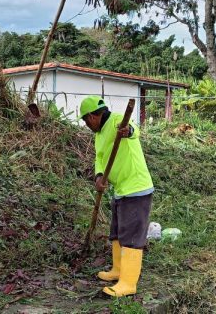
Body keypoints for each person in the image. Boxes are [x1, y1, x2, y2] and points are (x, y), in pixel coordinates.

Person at [79, 96, 154, 298]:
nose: (86, 125)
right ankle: (118, 271)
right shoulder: (99, 134)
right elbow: (100, 158)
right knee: (117, 232)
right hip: (121, 189)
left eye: (86, 121)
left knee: (131, 237)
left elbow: (132, 131)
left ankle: (128, 283)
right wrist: (99, 176)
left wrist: (127, 131)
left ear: (93, 116)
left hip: (136, 188)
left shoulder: (117, 121)